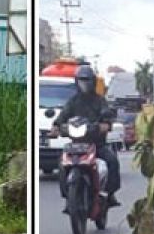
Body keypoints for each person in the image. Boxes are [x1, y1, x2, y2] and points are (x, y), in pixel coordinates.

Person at [51, 63, 120, 211]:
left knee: (112, 161)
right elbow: (63, 116)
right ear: (77, 82)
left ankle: (110, 194)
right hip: (76, 145)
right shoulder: (73, 101)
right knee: (62, 165)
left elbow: (107, 114)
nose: (84, 84)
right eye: (81, 81)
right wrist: (56, 127)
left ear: (93, 81)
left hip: (96, 144)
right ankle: (69, 199)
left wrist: (105, 124)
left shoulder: (99, 100)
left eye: (87, 80)